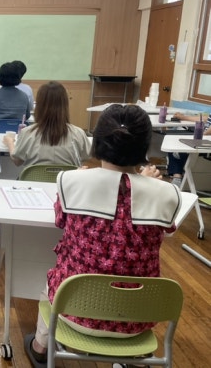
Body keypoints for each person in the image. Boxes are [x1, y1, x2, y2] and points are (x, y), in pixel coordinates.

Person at [24, 104, 182, 368]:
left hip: (74, 311)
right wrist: (148, 182)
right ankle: (134, 359)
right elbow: (170, 228)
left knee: (54, 280)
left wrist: (79, 177)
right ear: (144, 147)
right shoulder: (166, 193)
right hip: (138, 317)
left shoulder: (71, 181)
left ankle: (40, 347)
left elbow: (60, 219)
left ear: (97, 141)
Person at [3, 81, 90, 168]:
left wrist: (10, 142)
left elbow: (17, 161)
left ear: (39, 105)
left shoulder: (27, 133)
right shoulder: (78, 133)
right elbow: (87, 158)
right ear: (65, 105)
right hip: (67, 177)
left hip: (35, 177)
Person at [167, 112, 211, 186]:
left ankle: (177, 177)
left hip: (206, 146)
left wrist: (201, 134)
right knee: (173, 143)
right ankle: (177, 176)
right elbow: (206, 119)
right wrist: (183, 117)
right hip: (204, 140)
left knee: (177, 148)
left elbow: (207, 133)